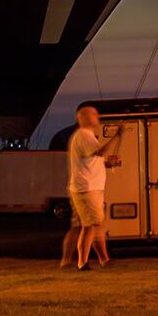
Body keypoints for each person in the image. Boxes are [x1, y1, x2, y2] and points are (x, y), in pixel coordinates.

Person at [62, 101, 114, 269]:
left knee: (91, 225)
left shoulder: (86, 136)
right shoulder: (84, 134)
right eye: (93, 114)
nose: (97, 117)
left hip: (86, 187)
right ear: (83, 118)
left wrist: (106, 164)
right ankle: (82, 262)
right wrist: (116, 136)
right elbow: (99, 152)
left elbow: (92, 159)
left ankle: (103, 259)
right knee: (90, 225)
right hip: (87, 188)